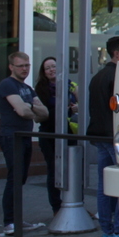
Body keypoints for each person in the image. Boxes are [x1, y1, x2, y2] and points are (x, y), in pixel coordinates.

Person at [86, 36, 119, 237]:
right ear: (117, 53)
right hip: (114, 135)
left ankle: (107, 230)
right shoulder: (117, 76)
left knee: (104, 185)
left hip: (99, 134)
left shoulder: (98, 76)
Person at [0, 51, 48, 236]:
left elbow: (44, 113)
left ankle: (16, 219)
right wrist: (31, 108)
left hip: (25, 135)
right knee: (14, 178)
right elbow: (22, 111)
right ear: (11, 67)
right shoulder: (7, 85)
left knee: (21, 178)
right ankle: (9, 222)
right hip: (12, 136)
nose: (25, 69)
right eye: (21, 66)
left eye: (27, 65)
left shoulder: (26, 88)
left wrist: (30, 108)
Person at [34, 57, 78, 215]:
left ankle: (74, 203)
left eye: (54, 66)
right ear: (43, 72)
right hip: (48, 133)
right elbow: (45, 114)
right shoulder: (40, 88)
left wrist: (76, 107)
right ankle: (56, 207)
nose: (52, 70)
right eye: (48, 68)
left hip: (68, 131)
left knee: (73, 169)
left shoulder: (70, 85)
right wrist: (66, 110)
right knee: (54, 170)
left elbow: (81, 103)